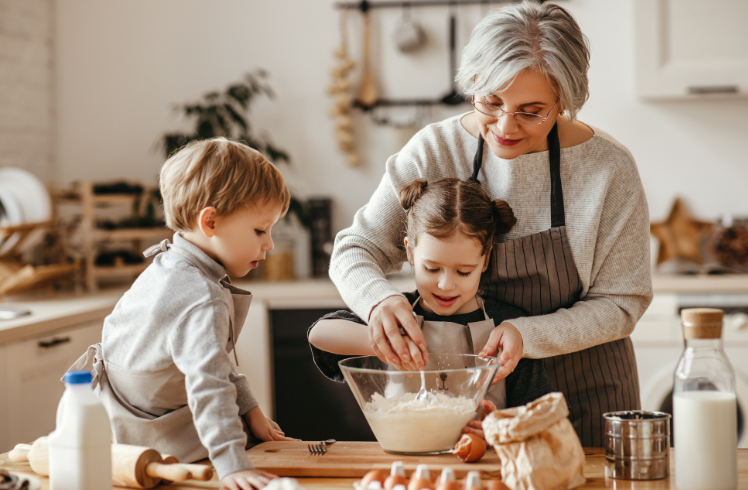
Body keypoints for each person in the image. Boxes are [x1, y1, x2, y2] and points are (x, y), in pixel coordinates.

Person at [328, 2, 652, 447]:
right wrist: (377, 300)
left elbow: (622, 302)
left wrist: (528, 333)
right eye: (491, 102)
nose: (504, 126)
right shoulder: (434, 149)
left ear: (565, 100)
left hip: (584, 392)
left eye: (531, 110)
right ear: (473, 84)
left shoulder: (607, 169)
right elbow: (355, 248)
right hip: (463, 408)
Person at [67, 138, 295, 490]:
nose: (269, 244)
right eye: (260, 230)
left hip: (119, 431)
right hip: (160, 447)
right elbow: (210, 385)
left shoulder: (171, 264)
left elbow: (213, 360)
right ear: (210, 222)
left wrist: (251, 410)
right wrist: (233, 465)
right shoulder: (201, 297)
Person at [309, 178, 553, 437]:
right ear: (410, 253)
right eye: (432, 268)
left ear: (486, 260)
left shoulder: (505, 327)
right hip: (405, 463)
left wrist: (501, 429)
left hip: (483, 469)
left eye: (463, 271)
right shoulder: (398, 314)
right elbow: (319, 335)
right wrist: (388, 342)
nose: (446, 285)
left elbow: (541, 418)